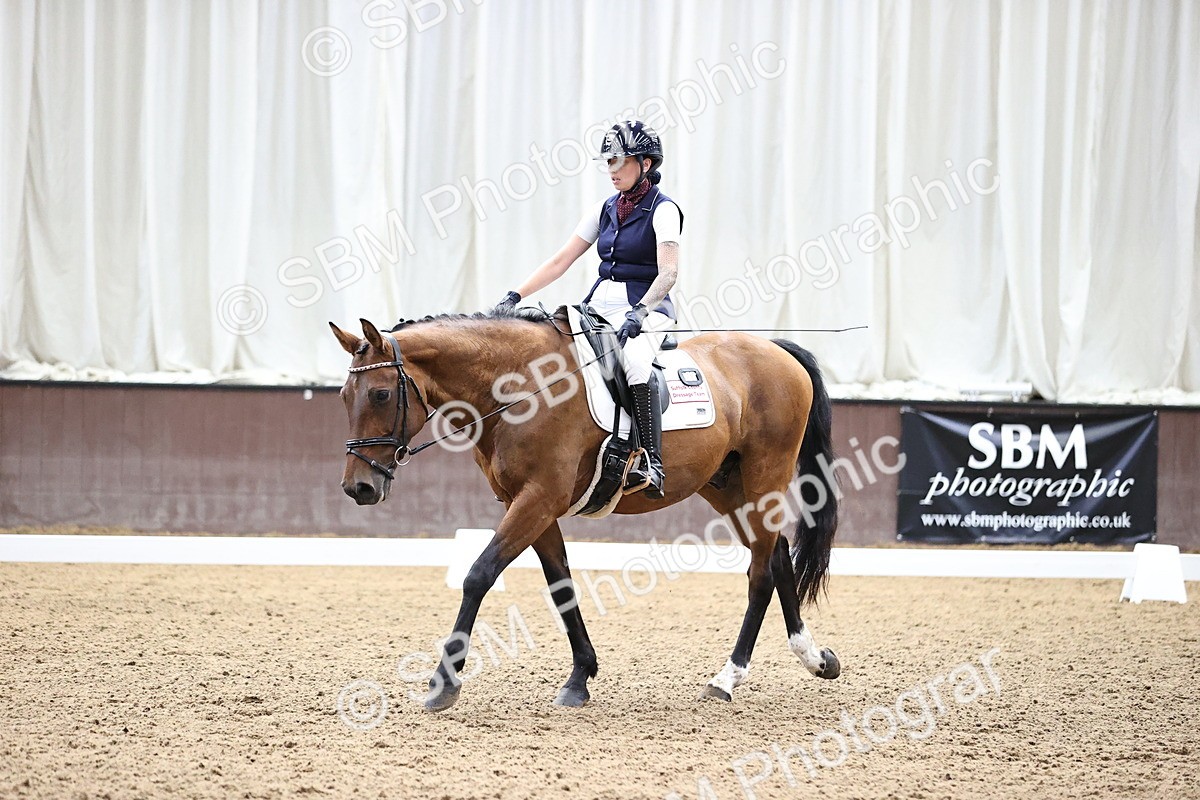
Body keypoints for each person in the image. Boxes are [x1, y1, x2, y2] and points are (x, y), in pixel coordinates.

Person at [494, 120, 682, 499]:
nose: (611, 170)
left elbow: (669, 271)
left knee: (634, 362)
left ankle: (651, 461)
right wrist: (516, 295)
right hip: (598, 304)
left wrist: (641, 311)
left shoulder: (664, 210)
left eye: (618, 161)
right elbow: (561, 260)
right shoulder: (605, 209)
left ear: (645, 164)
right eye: (607, 163)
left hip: (647, 305)